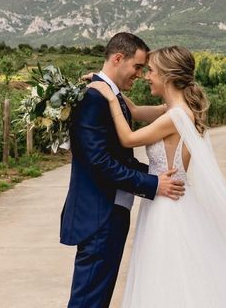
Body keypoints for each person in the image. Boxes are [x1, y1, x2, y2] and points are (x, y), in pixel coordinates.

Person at [87, 45, 226, 308]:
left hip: (167, 205)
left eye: (151, 71)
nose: (146, 76)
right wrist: (105, 83)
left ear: (168, 76)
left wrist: (111, 100)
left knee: (167, 277)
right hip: (169, 198)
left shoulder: (175, 116)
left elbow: (127, 139)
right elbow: (136, 112)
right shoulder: (174, 111)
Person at [60, 33, 186, 308]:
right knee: (88, 301)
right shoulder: (95, 98)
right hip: (98, 216)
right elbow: (100, 162)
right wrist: (152, 184)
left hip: (111, 213)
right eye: (138, 67)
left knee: (98, 298)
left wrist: (153, 178)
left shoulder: (110, 96)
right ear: (119, 58)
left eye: (145, 69)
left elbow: (119, 156)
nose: (140, 75)